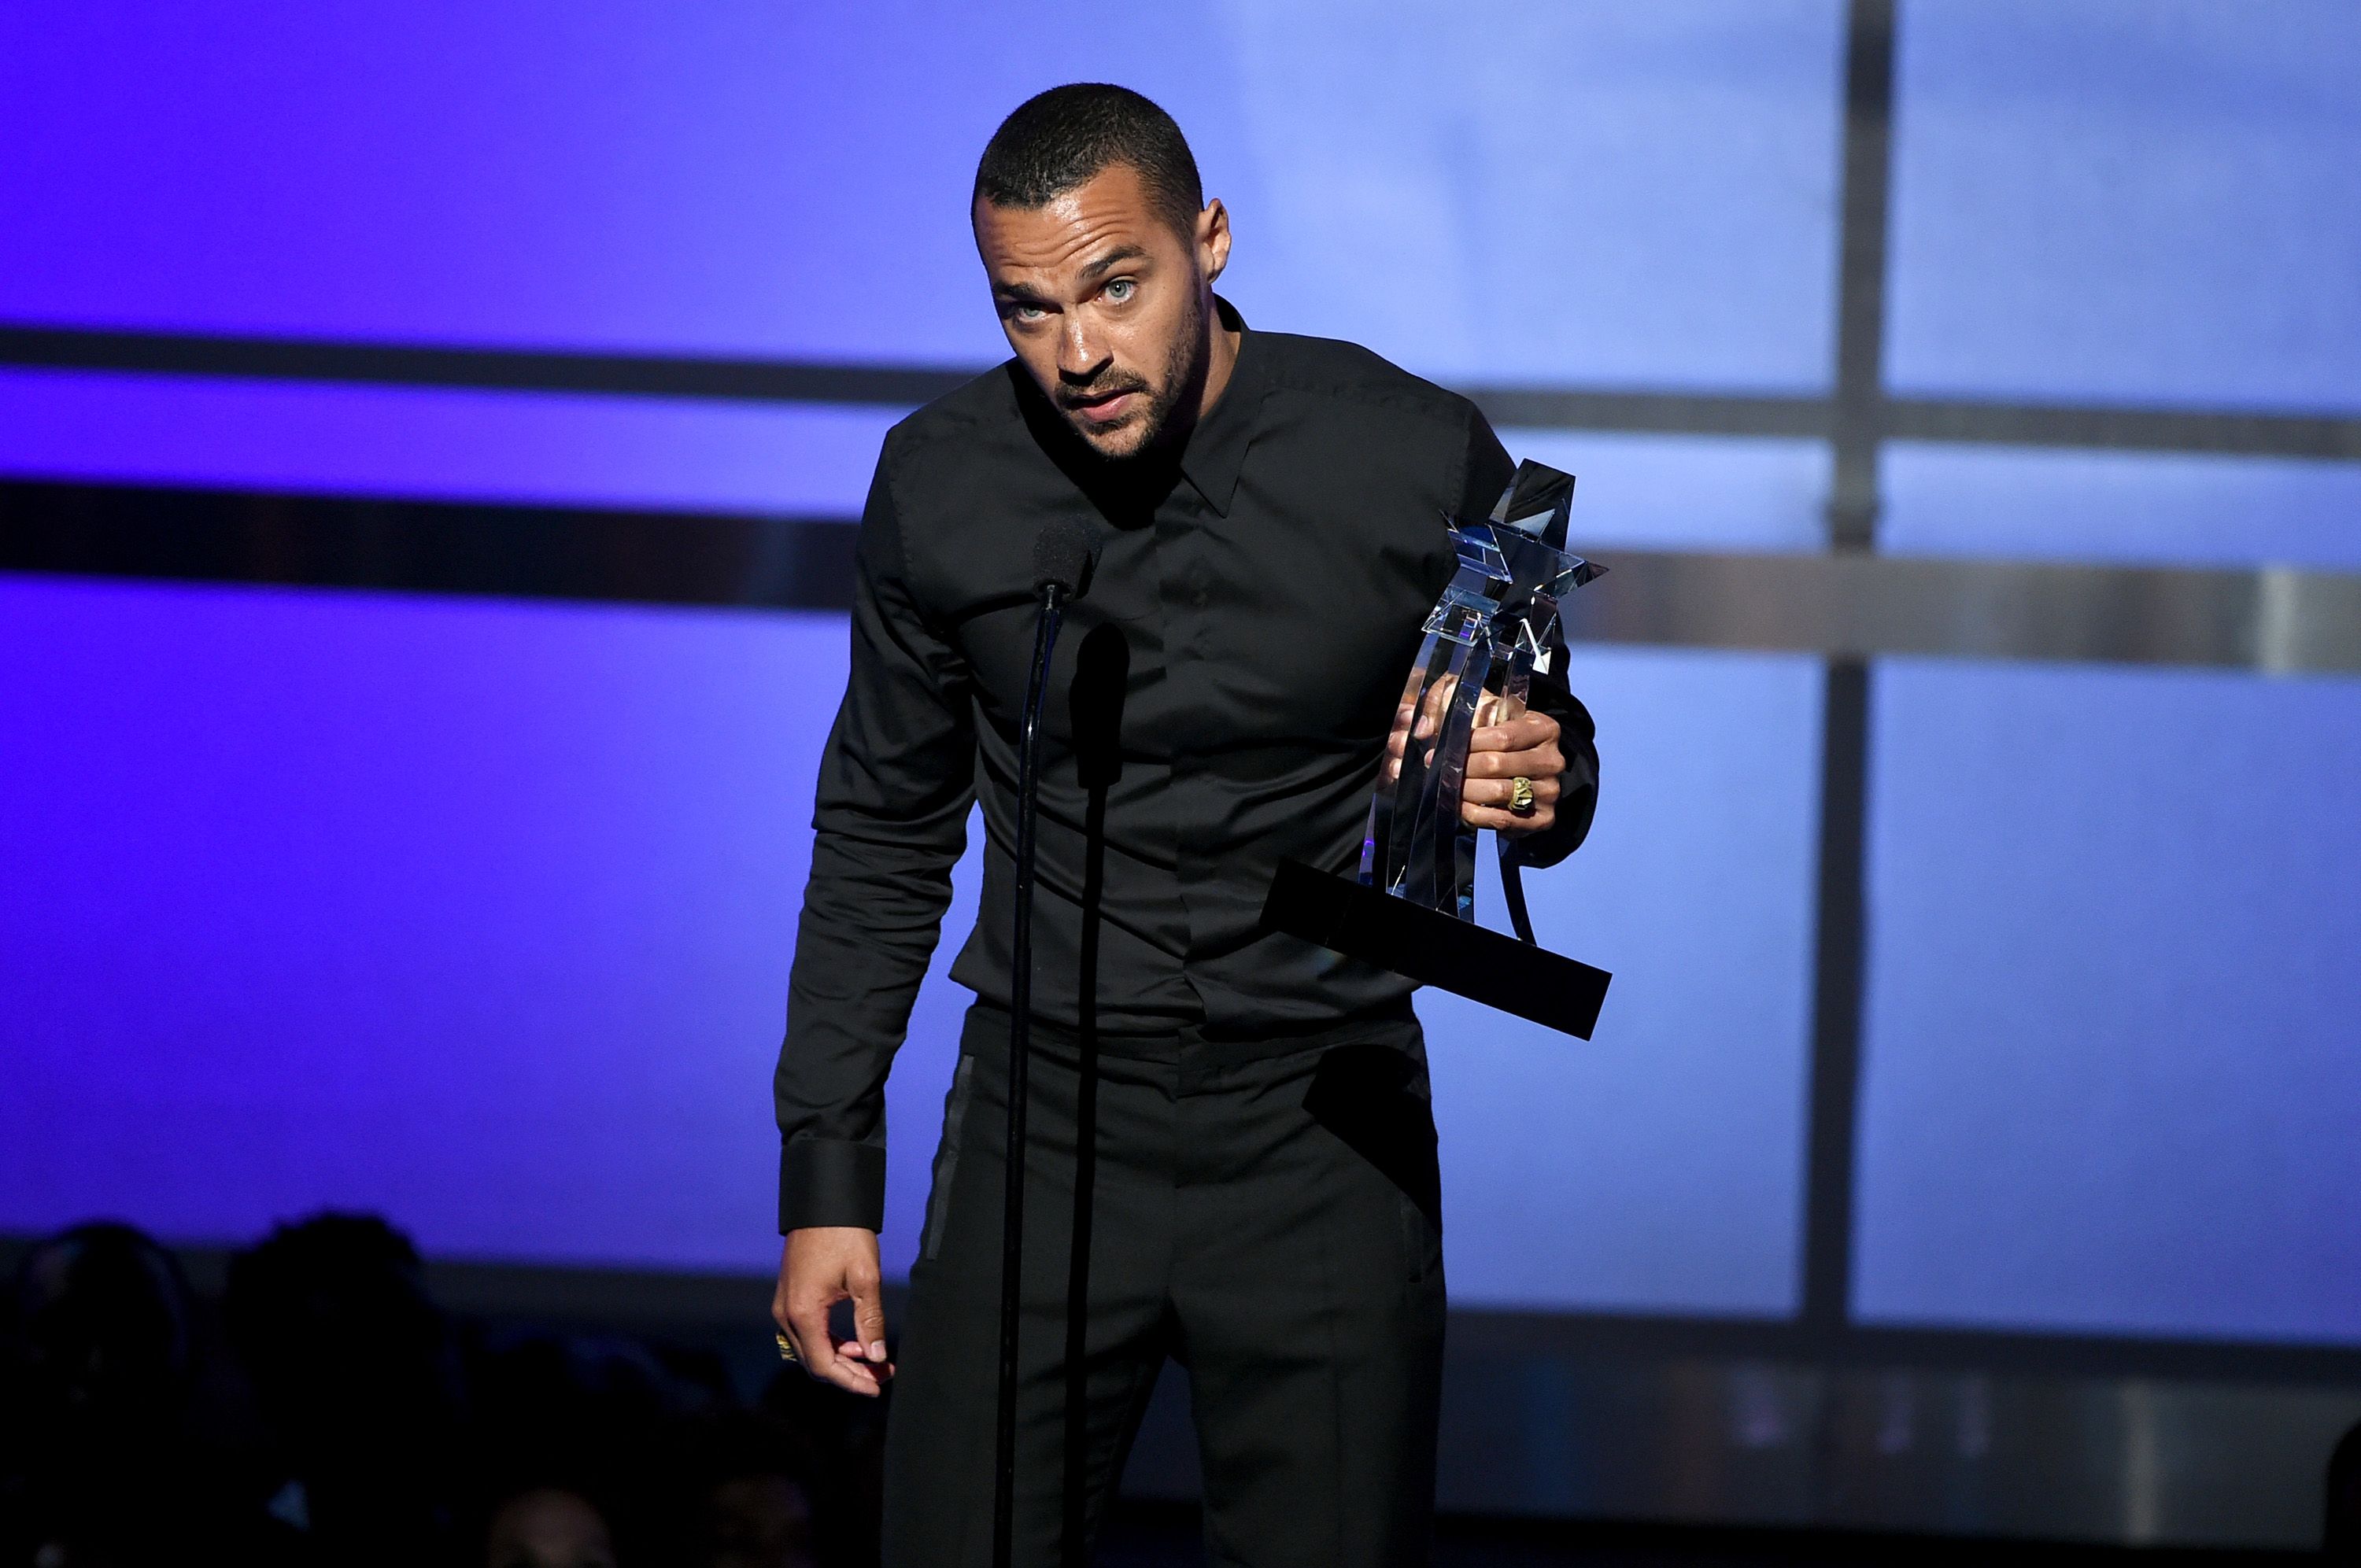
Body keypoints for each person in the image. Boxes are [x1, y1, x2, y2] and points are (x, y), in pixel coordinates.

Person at [769, 83, 1599, 1566]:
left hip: (1327, 1112)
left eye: (1115, 287)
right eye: (1027, 310)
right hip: (1043, 1109)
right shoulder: (941, 480)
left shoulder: (1413, 452)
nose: (1078, 352)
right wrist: (827, 1181)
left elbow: (1547, 752)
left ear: (1209, 240)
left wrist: (1534, 786)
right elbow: (884, 825)